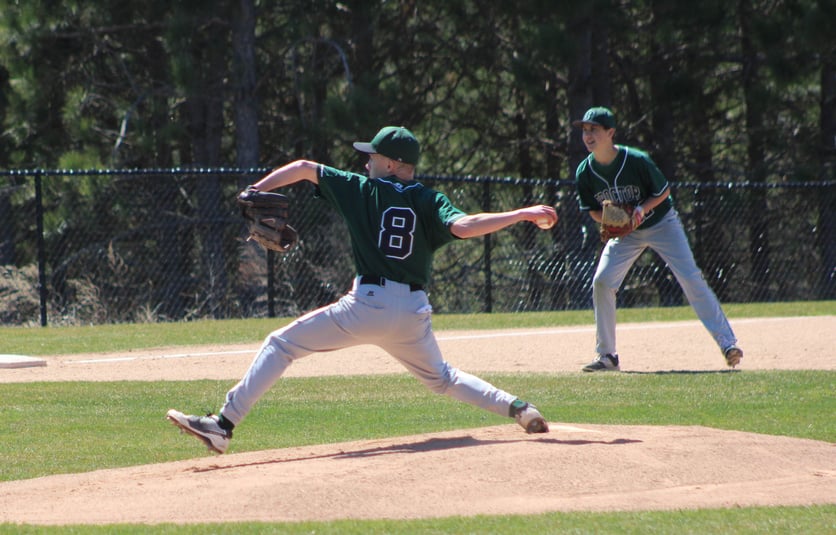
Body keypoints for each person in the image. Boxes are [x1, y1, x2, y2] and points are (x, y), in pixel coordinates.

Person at [167, 126, 557, 453]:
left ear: (390, 163)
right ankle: (519, 408)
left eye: (372, 156)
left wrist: (255, 189)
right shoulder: (428, 198)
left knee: (280, 344)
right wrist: (522, 213)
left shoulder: (363, 189)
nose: (365, 162)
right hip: (413, 312)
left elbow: (303, 167)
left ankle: (223, 425)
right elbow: (464, 227)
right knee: (443, 379)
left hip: (368, 305)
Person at [572, 107, 743, 372]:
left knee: (689, 277)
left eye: (594, 129)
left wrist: (641, 210)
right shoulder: (585, 171)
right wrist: (611, 221)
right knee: (602, 282)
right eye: (585, 130)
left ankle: (728, 343)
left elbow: (663, 192)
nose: (588, 135)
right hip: (627, 233)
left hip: (662, 223)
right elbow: (592, 210)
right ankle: (607, 356)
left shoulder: (636, 160)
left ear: (610, 133)